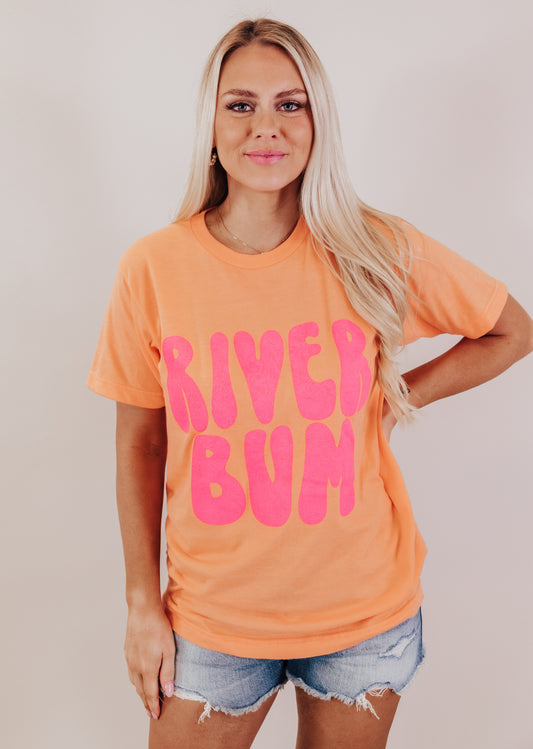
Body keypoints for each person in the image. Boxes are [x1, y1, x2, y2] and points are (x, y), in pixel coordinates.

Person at [87, 17, 533, 749]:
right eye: (240, 104)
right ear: (210, 126)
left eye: (289, 104)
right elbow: (140, 442)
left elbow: (511, 330)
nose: (266, 126)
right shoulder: (154, 268)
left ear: (317, 120)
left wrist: (394, 397)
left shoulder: (373, 247)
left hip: (364, 615)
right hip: (212, 620)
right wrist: (142, 603)